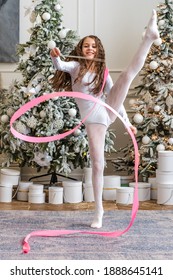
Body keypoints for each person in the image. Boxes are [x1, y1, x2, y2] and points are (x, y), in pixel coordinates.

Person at [50, 9, 160, 228]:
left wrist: (127, 124)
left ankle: (149, 37)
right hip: (92, 119)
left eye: (93, 46)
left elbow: (115, 99)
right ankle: (98, 211)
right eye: (86, 45)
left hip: (105, 112)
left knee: (127, 76)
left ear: (98, 49)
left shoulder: (104, 71)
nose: (89, 48)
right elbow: (59, 66)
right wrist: (54, 56)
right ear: (81, 49)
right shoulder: (75, 66)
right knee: (98, 164)